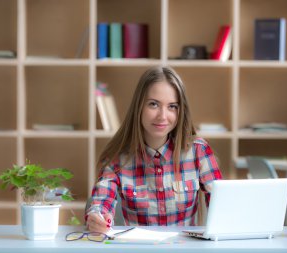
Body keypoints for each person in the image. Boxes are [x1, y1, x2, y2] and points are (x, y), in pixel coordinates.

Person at [85, 66, 222, 233]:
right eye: (153, 104)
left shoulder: (199, 152)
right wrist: (98, 217)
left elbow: (224, 207)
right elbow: (101, 203)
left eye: (172, 106)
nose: (162, 116)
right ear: (139, 107)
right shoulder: (116, 158)